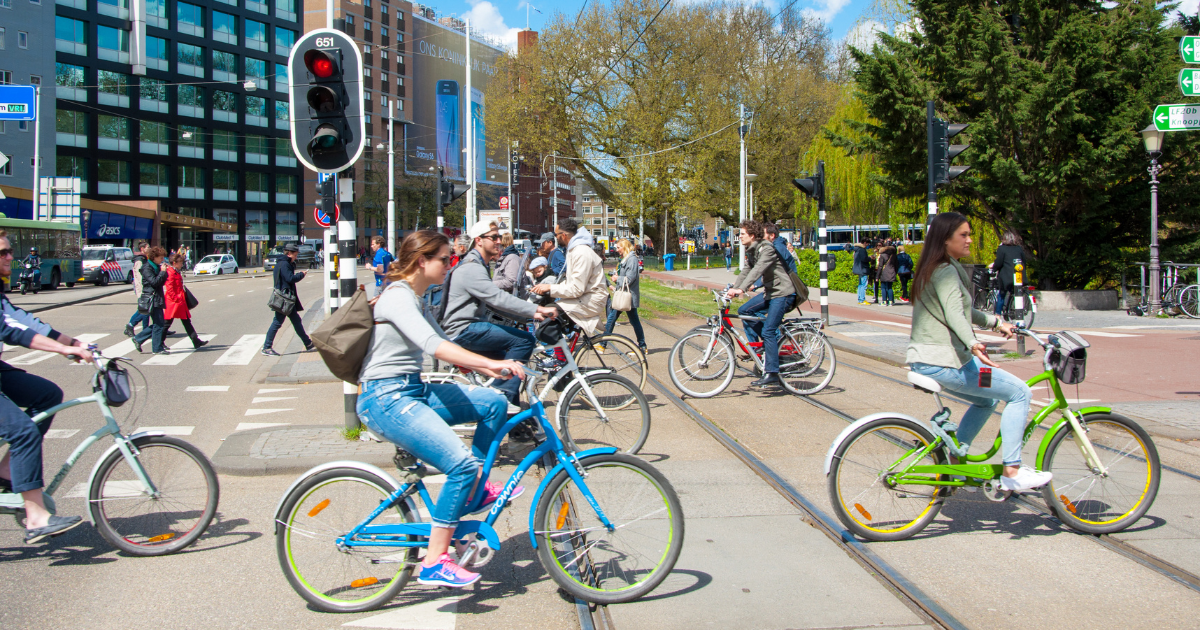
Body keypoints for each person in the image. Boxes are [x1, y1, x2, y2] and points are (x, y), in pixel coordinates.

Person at [359, 230, 526, 588]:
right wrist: (493, 365)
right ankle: (435, 561)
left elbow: (448, 343)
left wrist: (489, 368)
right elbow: (433, 346)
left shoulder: (416, 297)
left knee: (495, 402)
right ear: (422, 261)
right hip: (385, 399)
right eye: (445, 259)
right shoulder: (397, 297)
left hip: (411, 390)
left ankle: (476, 489)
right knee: (461, 464)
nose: (451, 264)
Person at [907, 212, 1046, 492]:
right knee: (1020, 393)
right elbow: (955, 315)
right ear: (946, 240)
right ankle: (1013, 471)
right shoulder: (945, 271)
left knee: (987, 400)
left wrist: (996, 323)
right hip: (947, 363)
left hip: (929, 360)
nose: (970, 240)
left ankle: (956, 455)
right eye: (964, 235)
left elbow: (963, 310)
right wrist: (974, 344)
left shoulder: (937, 267)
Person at [440, 221, 556, 405]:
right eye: (493, 237)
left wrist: (525, 315)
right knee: (525, 340)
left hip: (469, 326)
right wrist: (536, 310)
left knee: (510, 368)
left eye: (499, 237)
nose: (499, 241)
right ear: (478, 240)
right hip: (464, 329)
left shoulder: (478, 264)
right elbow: (498, 298)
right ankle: (502, 400)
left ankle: (517, 427)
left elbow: (494, 302)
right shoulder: (472, 267)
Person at [725, 220, 796, 389]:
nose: (739, 236)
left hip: (783, 293)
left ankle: (772, 372)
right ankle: (770, 345)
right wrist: (734, 288)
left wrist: (741, 289)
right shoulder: (753, 250)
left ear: (752, 235)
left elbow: (758, 270)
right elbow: (746, 270)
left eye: (742, 234)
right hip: (771, 293)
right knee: (745, 311)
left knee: (768, 330)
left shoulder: (767, 249)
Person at [531, 218, 608, 336]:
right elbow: (571, 283)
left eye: (556, 235)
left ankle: (560, 352)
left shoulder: (581, 252)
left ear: (563, 235)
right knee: (548, 312)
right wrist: (547, 288)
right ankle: (563, 350)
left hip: (591, 300)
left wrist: (550, 288)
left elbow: (576, 289)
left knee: (549, 313)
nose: (555, 238)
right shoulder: (574, 250)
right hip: (584, 297)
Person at [261, 243, 314, 356]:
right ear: (289, 254)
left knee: (296, 321)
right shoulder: (284, 264)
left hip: (287, 299)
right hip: (284, 300)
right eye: (295, 255)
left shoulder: (283, 263)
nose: (296, 257)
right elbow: (290, 278)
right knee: (277, 322)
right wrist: (301, 274)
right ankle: (266, 347)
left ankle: (308, 343)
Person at [602, 239, 647, 351]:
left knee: (615, 319)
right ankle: (642, 345)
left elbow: (630, 278)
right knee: (615, 318)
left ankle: (602, 344)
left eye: (618, 247)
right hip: (624, 295)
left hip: (627, 296)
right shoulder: (626, 259)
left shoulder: (631, 259)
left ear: (625, 247)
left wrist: (618, 279)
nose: (617, 250)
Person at [163, 253, 208, 349]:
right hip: (174, 302)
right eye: (180, 263)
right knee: (167, 323)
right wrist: (177, 299)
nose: (182, 264)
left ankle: (196, 341)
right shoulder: (170, 272)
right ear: (174, 263)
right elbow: (170, 289)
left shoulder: (175, 271)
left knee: (186, 321)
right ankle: (158, 342)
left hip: (179, 301)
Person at [132, 247, 170, 355]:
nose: (162, 260)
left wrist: (164, 272)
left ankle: (139, 339)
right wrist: (162, 273)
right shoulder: (147, 268)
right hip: (151, 298)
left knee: (159, 323)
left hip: (156, 297)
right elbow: (154, 282)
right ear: (154, 257)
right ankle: (156, 348)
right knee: (159, 323)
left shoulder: (156, 267)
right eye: (160, 258)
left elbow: (161, 282)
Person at [990, 230, 1026, 317]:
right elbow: (1024, 262)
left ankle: (998, 315)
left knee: (1001, 295)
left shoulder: (1002, 249)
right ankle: (1010, 309)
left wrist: (994, 269)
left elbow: (999, 263)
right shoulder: (1019, 249)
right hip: (1019, 276)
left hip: (1006, 277)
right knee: (1014, 291)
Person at [124, 241, 151, 338]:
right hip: (142, 289)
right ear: (142, 249)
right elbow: (139, 278)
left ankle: (146, 330)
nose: (149, 248)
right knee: (144, 310)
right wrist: (144, 290)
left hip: (145, 289)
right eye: (148, 247)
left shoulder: (144, 259)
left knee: (146, 310)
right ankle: (130, 325)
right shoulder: (140, 261)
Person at [852, 237, 871, 305]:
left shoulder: (856, 249)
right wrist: (870, 258)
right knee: (863, 285)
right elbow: (864, 259)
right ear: (865, 243)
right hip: (863, 269)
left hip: (858, 268)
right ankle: (862, 299)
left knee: (860, 284)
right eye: (868, 244)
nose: (868, 245)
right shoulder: (862, 250)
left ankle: (860, 299)